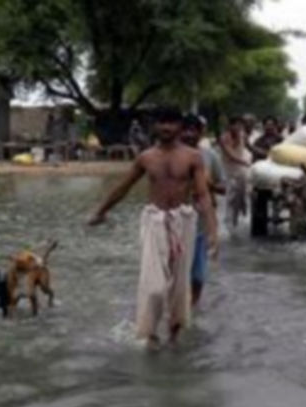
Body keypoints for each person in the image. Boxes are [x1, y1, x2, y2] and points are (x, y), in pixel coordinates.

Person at [88, 107, 219, 350]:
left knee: (180, 288)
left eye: (171, 122)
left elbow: (202, 195)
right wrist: (101, 211)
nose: (166, 128)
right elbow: (123, 187)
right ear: (154, 126)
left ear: (180, 127)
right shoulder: (146, 157)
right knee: (154, 287)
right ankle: (149, 334)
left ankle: (173, 338)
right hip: (154, 221)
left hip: (184, 221)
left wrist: (212, 232)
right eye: (161, 123)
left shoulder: (193, 157)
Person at [181, 114, 226, 306]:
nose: (189, 134)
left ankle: (193, 308)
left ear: (201, 133)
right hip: (174, 220)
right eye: (186, 129)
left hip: (200, 222)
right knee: (174, 271)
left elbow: (223, 188)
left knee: (197, 275)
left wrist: (209, 185)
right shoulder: (170, 155)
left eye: (194, 130)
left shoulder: (210, 156)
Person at [219, 116, 251, 228]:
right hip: (228, 169)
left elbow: (249, 147)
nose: (237, 127)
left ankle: (241, 211)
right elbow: (230, 155)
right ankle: (229, 220)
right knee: (230, 195)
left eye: (240, 125)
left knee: (243, 192)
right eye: (235, 125)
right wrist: (244, 162)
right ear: (230, 126)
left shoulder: (242, 135)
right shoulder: (224, 138)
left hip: (241, 170)